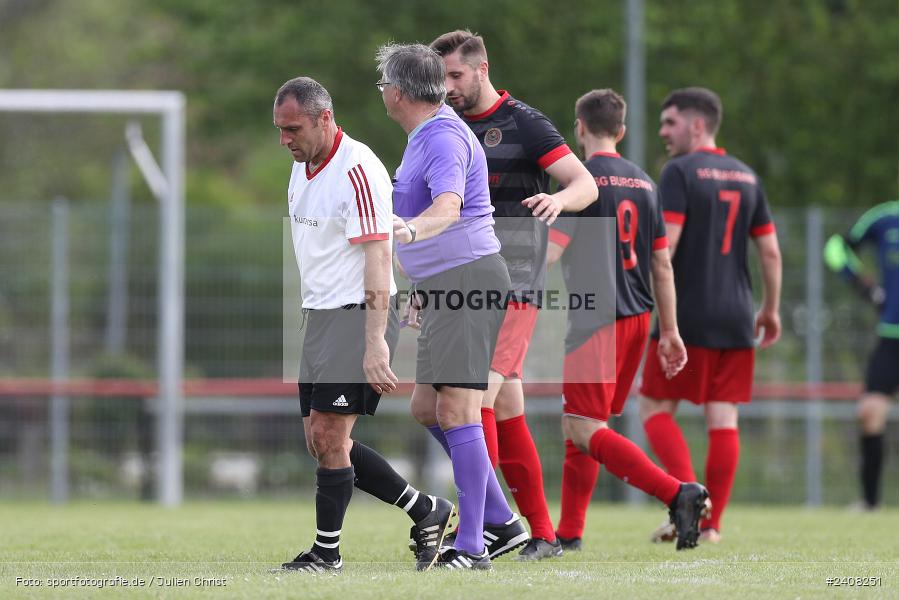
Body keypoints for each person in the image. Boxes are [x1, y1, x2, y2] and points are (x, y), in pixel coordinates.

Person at [273, 76, 455, 573]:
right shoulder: (302, 166)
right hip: (321, 316)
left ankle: (326, 553)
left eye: (293, 129)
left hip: (358, 316)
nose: (285, 139)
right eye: (280, 130)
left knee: (331, 436)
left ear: (324, 118)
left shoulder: (358, 168)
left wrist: (376, 342)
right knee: (322, 439)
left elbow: (379, 255)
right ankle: (427, 510)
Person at [429, 29, 598, 560]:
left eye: (455, 76)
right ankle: (539, 533)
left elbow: (584, 183)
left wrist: (560, 202)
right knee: (502, 407)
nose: (448, 87)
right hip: (463, 279)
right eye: (442, 79)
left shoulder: (522, 121)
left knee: (470, 399)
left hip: (514, 282)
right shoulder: (445, 125)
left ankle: (479, 534)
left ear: (482, 69)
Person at [376, 43, 526, 571]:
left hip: (469, 278)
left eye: (383, 88)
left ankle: (472, 548)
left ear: (397, 93)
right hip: (445, 283)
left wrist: (410, 231)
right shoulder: (426, 133)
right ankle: (503, 523)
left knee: (459, 411)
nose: (382, 97)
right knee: (426, 408)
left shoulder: (441, 136)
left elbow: (448, 206)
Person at [547, 88, 709, 551]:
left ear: (579, 128)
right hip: (638, 318)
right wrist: (670, 331)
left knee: (583, 427)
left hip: (596, 317)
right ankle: (571, 534)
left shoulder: (579, 183)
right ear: (620, 131)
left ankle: (678, 493)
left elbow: (551, 256)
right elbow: (662, 265)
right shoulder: (645, 183)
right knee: (582, 426)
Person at [639, 87, 783, 544]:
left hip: (689, 315)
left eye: (670, 122)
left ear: (697, 125)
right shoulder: (746, 176)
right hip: (739, 316)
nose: (663, 131)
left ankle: (689, 505)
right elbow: (772, 254)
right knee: (724, 420)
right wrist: (770, 310)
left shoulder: (679, 171)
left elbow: (670, 244)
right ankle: (710, 524)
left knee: (654, 408)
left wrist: (648, 299)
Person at [824, 200, 899, 510]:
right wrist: (863, 286)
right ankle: (870, 502)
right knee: (869, 413)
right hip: (891, 336)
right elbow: (835, 247)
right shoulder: (884, 218)